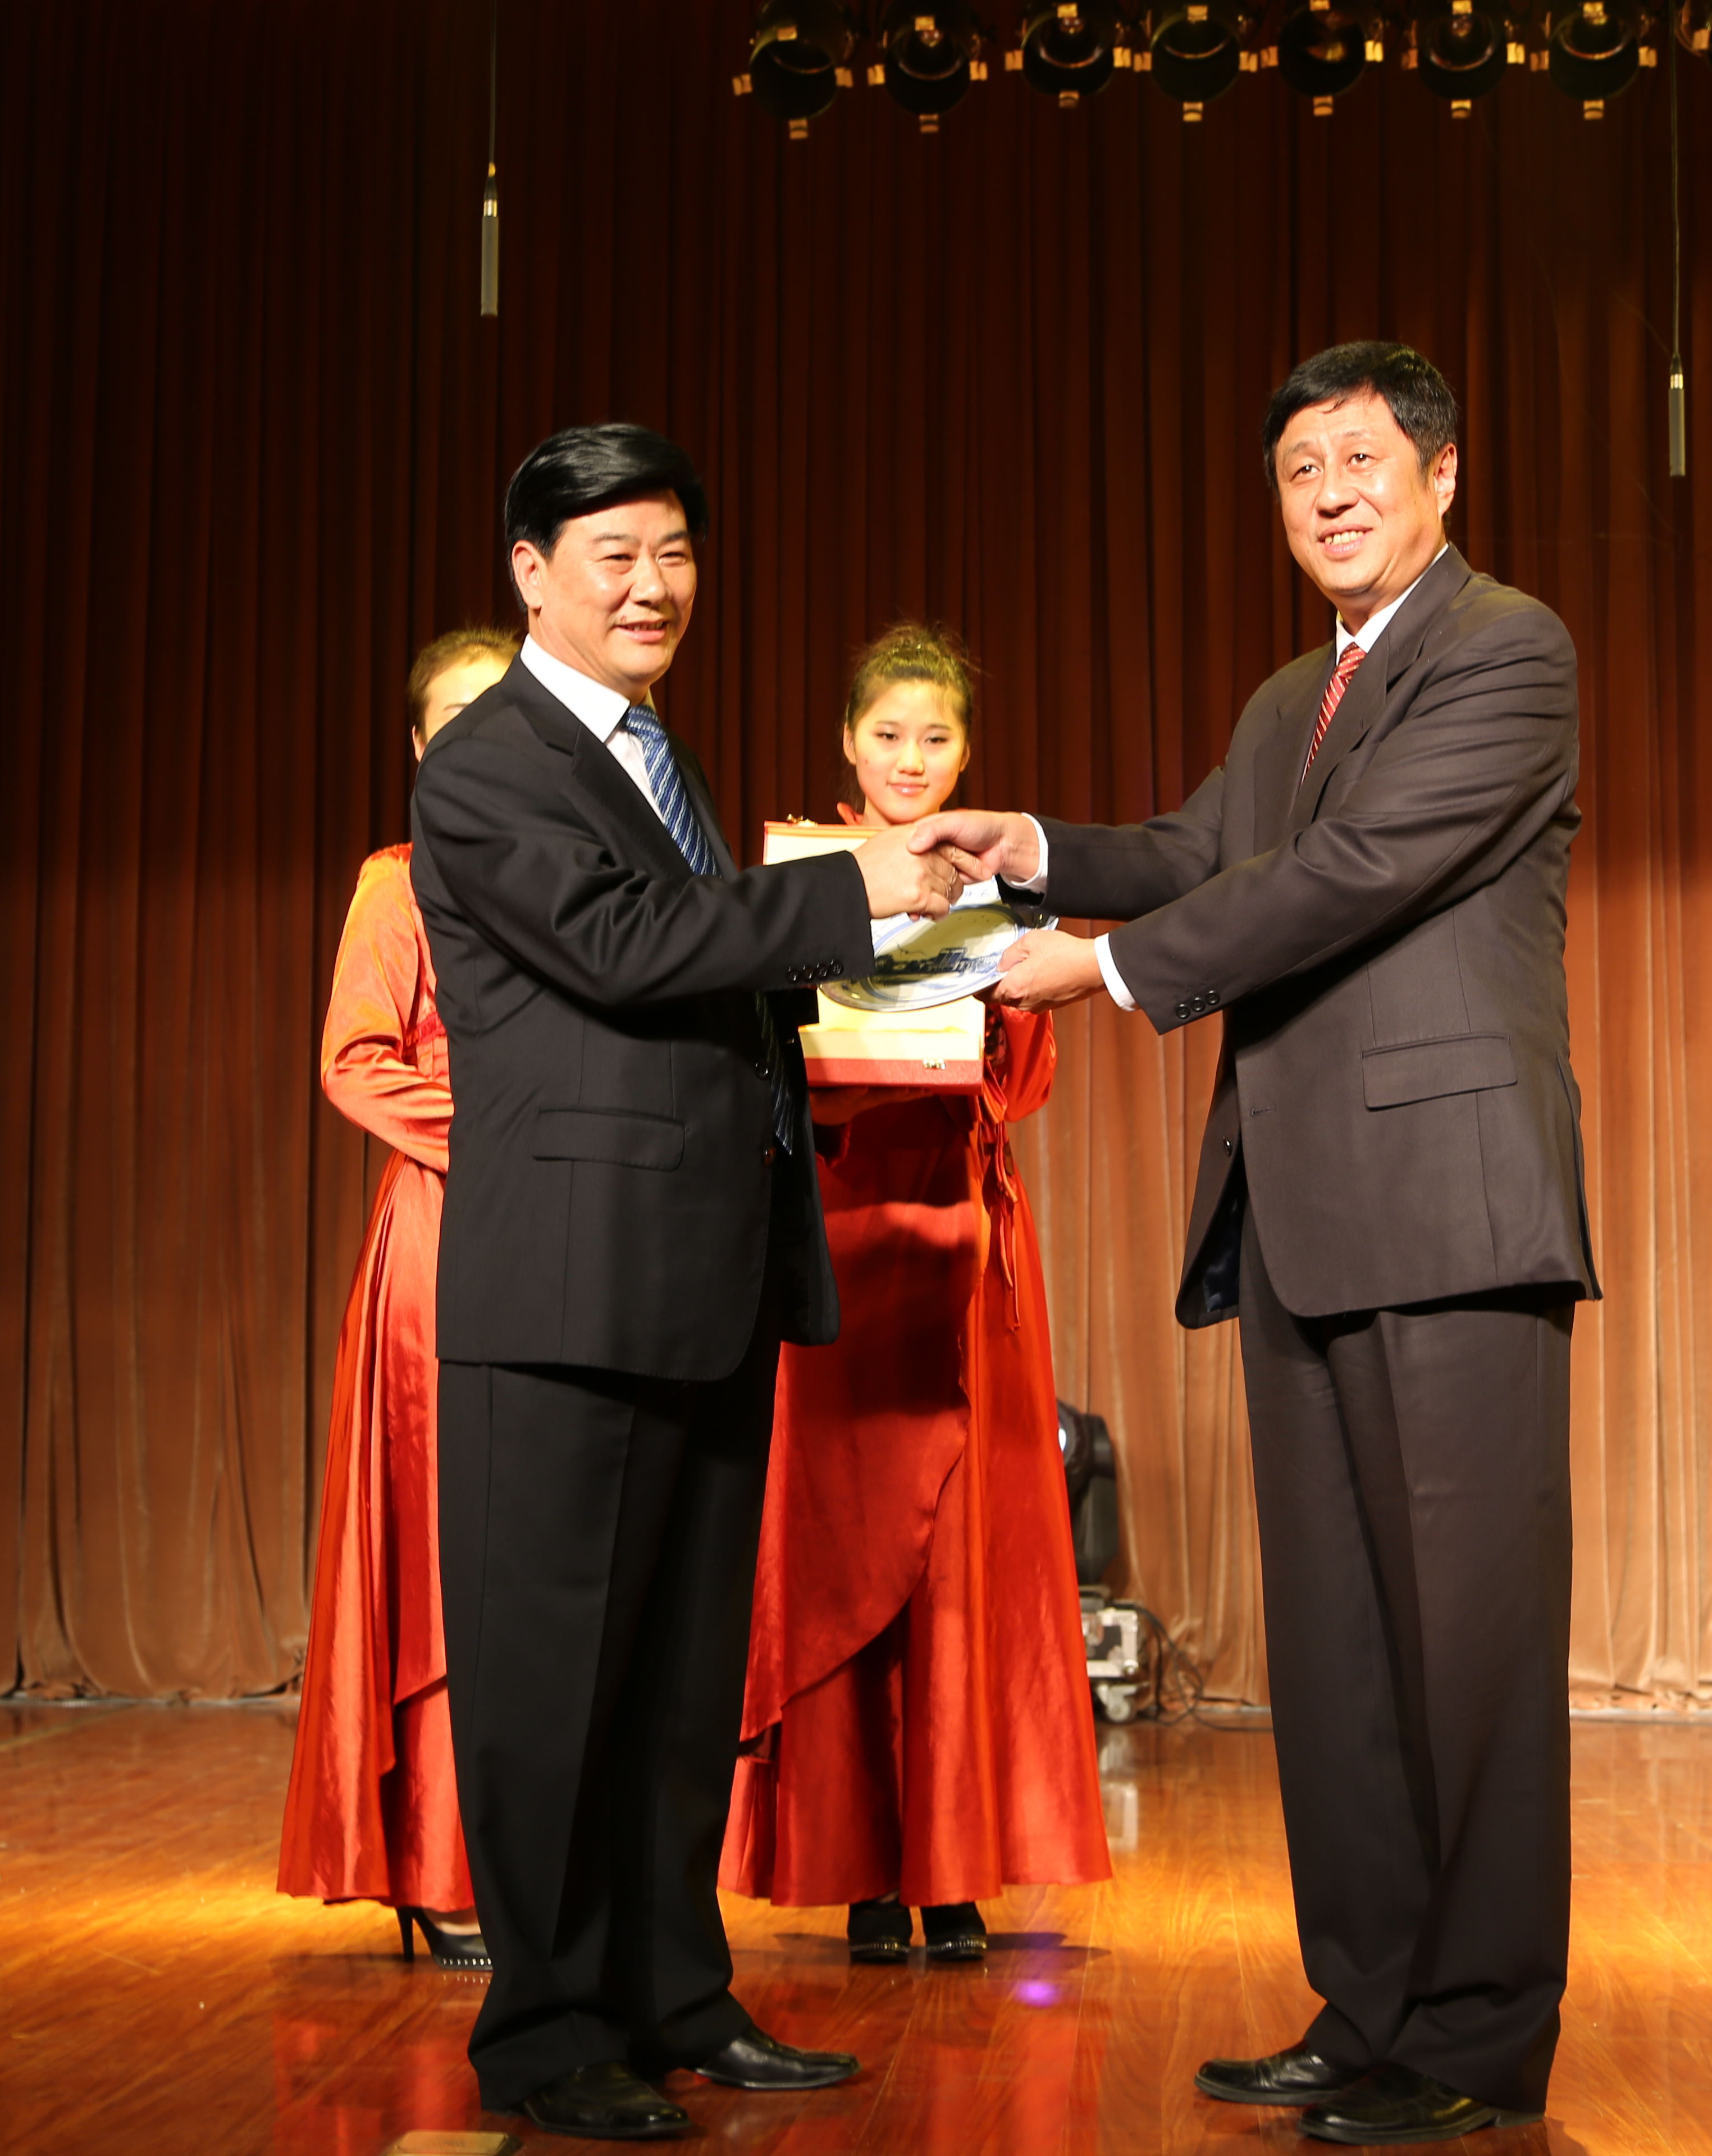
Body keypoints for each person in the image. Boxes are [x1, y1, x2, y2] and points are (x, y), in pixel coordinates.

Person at [916, 342, 1597, 2146]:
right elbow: (1202, 848)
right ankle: (1366, 2008)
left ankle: (1474, 2038)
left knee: (1469, 1650)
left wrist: (1108, 971)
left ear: (1444, 474)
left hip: (1454, 1215)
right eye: (1300, 471)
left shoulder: (1508, 649)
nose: (1329, 494)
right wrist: (1028, 849)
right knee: (1343, 1654)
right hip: (1299, 1218)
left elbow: (1352, 871)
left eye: (1362, 459)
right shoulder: (1297, 687)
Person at [409, 423, 979, 2142]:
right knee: (554, 1688)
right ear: (532, 574)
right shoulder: (494, 761)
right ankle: (546, 2034)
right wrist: (849, 890)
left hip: (704, 1276)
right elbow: (622, 948)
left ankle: (673, 1992)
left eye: (674, 553)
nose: (655, 587)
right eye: (617, 556)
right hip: (566, 1294)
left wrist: (924, 959)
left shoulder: (656, 749)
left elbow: (709, 968)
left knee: (673, 1684)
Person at [722, 625, 1111, 1963]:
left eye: (934, 737)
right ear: (848, 743)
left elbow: (1025, 1083)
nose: (909, 759)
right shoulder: (803, 876)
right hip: (838, 1231)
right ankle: (859, 1871)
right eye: (887, 734)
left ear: (966, 751)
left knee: (963, 1554)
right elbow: (760, 1054)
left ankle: (953, 1869)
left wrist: (1003, 1004)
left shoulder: (1002, 884)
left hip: (962, 1237)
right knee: (840, 1537)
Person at [274, 625, 521, 1971]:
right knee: (440, 1551)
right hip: (445, 1232)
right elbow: (355, 1062)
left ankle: (534, 1866)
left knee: (530, 1557)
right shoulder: (399, 883)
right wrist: (517, 1133)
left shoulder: (570, 876)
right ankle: (438, 1863)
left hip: (561, 1234)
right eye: (457, 719)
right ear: (422, 748)